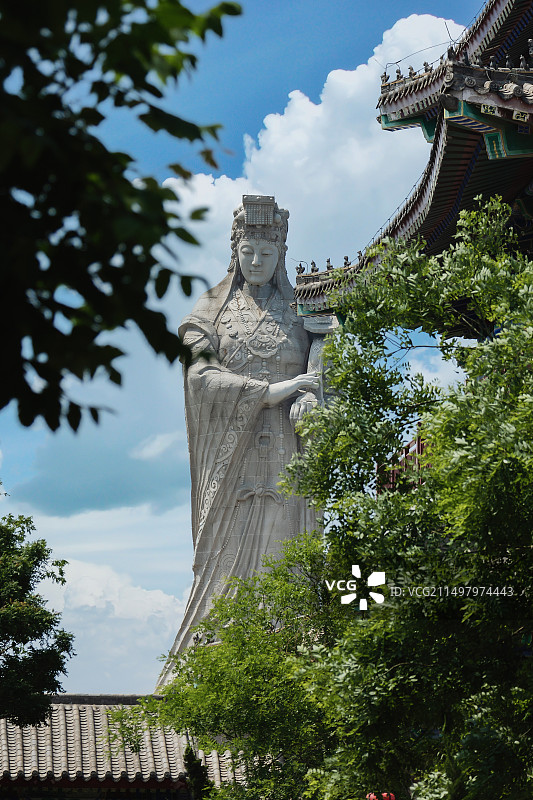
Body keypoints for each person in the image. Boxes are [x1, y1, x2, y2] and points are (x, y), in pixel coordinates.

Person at [157, 196, 335, 684]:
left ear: (281, 255)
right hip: (230, 459)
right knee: (224, 561)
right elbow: (200, 377)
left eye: (267, 255)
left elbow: (324, 380)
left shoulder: (304, 315)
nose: (256, 263)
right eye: (248, 253)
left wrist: (314, 399)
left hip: (287, 455)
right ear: (234, 252)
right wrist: (269, 391)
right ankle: (211, 658)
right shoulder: (207, 316)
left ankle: (296, 649)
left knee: (288, 551)